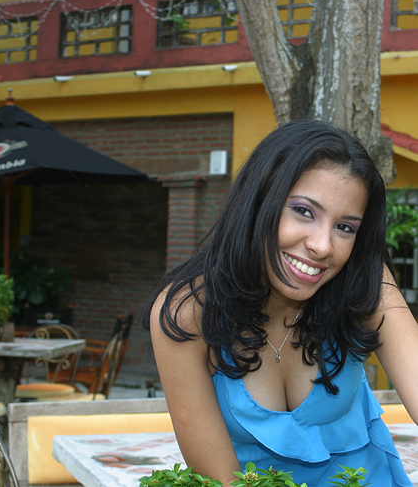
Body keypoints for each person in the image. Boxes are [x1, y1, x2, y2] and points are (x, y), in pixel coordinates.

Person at [140, 119, 418, 487]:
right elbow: (223, 481)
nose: (322, 245)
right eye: (303, 211)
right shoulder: (188, 313)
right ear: (258, 202)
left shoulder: (364, 282)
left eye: (345, 227)